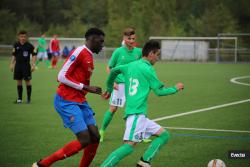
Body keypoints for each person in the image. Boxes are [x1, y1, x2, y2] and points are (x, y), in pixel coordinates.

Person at [101, 40, 184, 167]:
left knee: (164, 135)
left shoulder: (130, 65)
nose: (158, 58)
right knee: (129, 146)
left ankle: (144, 161)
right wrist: (176, 88)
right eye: (157, 55)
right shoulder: (148, 69)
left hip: (140, 116)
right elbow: (160, 92)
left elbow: (113, 71)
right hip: (136, 114)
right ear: (151, 53)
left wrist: (109, 88)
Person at [32, 28, 105, 167]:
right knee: (84, 139)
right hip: (66, 100)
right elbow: (61, 76)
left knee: (95, 136)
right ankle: (43, 164)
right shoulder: (79, 52)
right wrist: (86, 87)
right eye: (100, 42)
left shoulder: (89, 56)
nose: (102, 45)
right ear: (92, 39)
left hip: (80, 100)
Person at [99, 27, 142, 142]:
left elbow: (142, 66)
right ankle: (102, 131)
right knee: (113, 109)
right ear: (124, 39)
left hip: (133, 85)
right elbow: (109, 67)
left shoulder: (138, 52)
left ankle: (139, 134)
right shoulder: (118, 51)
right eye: (129, 39)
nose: (132, 41)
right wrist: (112, 81)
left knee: (137, 109)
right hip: (119, 85)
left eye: (133, 38)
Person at [10, 30, 36, 104]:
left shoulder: (29, 46)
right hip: (18, 65)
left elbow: (34, 55)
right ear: (19, 37)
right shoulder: (16, 45)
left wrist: (33, 64)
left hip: (26, 65)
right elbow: (14, 55)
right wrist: (11, 64)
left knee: (27, 81)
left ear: (26, 37)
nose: (23, 38)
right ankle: (20, 99)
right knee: (19, 81)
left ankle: (28, 99)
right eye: (21, 36)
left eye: (24, 36)